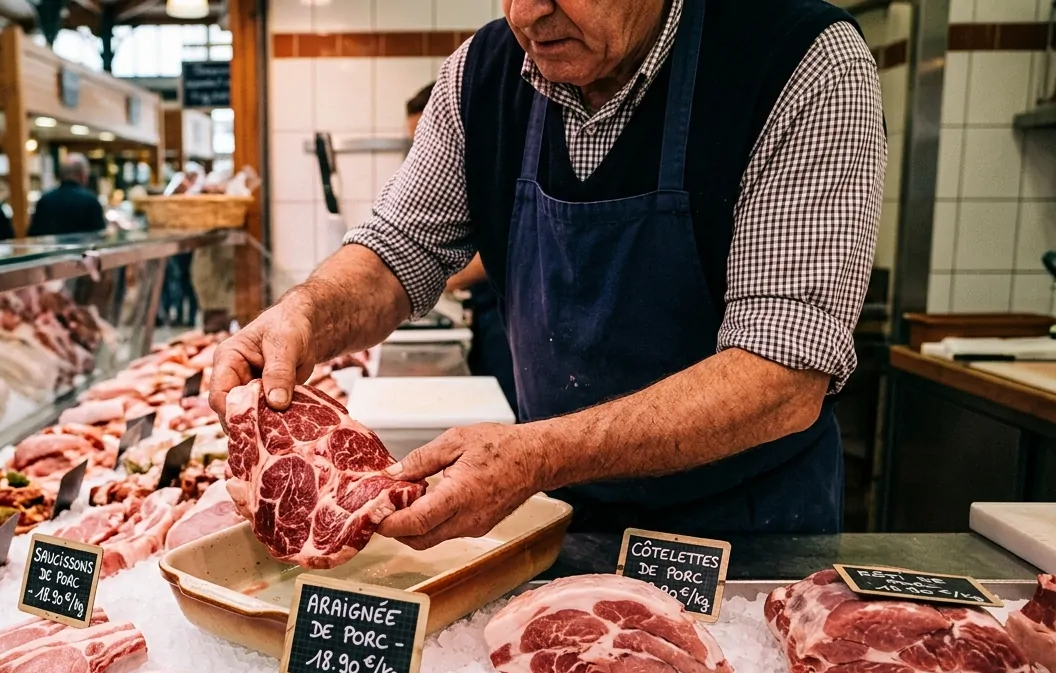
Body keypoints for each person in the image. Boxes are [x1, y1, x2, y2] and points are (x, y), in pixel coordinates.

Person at [212, 0, 886, 547]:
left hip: (745, 538)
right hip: (558, 521)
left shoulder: (798, 62)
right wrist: (304, 313)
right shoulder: (483, 73)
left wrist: (537, 454)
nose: (527, 13)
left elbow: (784, 372)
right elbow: (399, 248)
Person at [409, 82, 518, 414]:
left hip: (508, 318)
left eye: (423, 138)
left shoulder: (501, 163)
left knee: (508, 415)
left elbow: (508, 248)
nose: (421, 151)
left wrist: (442, 279)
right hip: (487, 313)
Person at [27, 153, 106, 237]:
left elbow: (33, 235)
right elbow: (99, 235)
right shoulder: (91, 200)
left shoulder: (45, 200)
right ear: (82, 175)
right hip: (82, 250)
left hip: (52, 249)